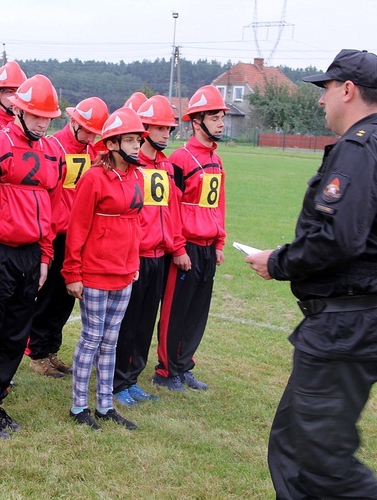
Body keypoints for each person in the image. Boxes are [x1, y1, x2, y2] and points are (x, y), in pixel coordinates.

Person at [244, 49, 377, 499]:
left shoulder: (359, 148)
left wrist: (278, 261)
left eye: (325, 89)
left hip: (348, 324)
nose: (321, 101)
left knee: (321, 459)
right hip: (367, 314)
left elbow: (337, 238)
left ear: (348, 90)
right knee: (292, 445)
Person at [0, 74, 62, 439]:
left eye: (47, 117)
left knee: (17, 335)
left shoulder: (53, 151)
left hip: (31, 255)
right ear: (17, 109)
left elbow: (52, 206)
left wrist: (46, 257)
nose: (41, 122)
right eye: (35, 114)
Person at [62, 107, 145, 431]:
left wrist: (134, 263)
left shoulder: (136, 176)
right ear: (112, 143)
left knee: (111, 340)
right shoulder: (94, 178)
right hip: (95, 273)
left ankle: (105, 404)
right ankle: (78, 405)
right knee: (92, 338)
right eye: (130, 140)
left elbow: (136, 224)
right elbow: (77, 227)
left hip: (124, 273)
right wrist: (73, 273)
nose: (137, 146)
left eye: (138, 140)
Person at [112, 95, 190, 406]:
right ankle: (117, 382)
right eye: (159, 129)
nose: (165, 136)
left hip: (159, 256)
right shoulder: (132, 167)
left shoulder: (166, 167)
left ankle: (131, 379)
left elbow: (171, 211)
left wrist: (177, 246)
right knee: (127, 322)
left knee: (145, 322)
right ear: (144, 130)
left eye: (168, 130)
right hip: (135, 256)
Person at [152, 85, 229, 391]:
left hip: (208, 247)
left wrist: (219, 242)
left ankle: (185, 365)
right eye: (215, 117)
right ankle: (166, 369)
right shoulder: (180, 160)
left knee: (197, 310)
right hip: (186, 248)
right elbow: (170, 209)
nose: (222, 122)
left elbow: (218, 203)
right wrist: (179, 247)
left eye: (222, 116)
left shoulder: (217, 160)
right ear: (197, 122)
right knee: (175, 309)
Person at [26, 96, 109, 378]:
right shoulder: (52, 146)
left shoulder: (90, 152)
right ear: (73, 122)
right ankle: (36, 353)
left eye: (93, 132)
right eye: (86, 129)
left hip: (78, 235)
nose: (89, 135)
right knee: (48, 296)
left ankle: (51, 350)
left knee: (65, 298)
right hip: (55, 234)